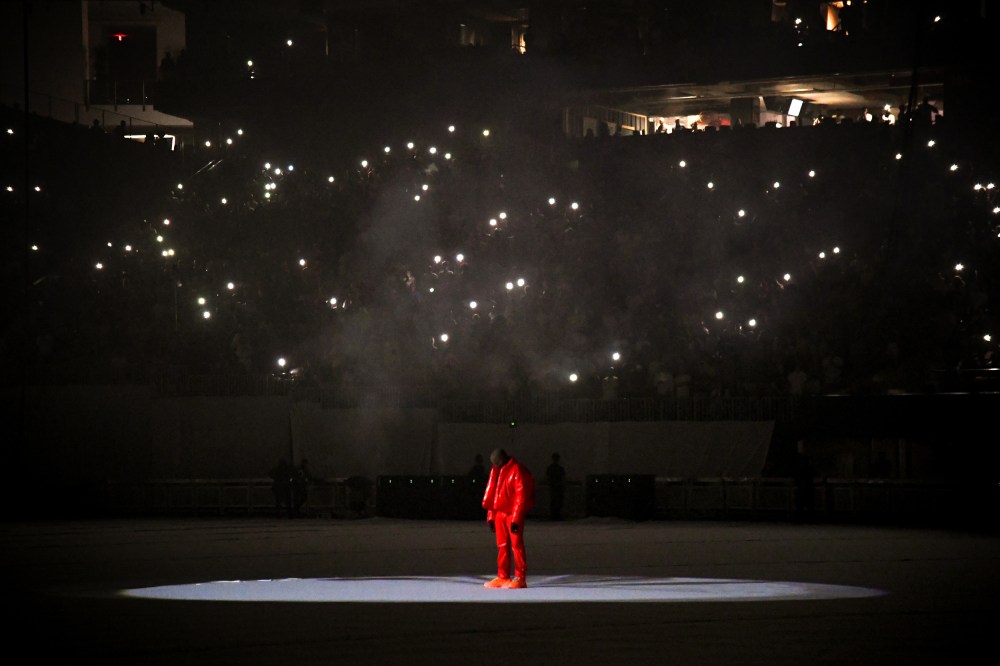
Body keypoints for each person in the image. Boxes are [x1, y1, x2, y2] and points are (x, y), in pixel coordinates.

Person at [481, 448, 535, 589]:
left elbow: (520, 496)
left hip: (512, 513)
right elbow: (493, 494)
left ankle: (519, 577)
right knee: (502, 546)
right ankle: (502, 575)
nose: (495, 465)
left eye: (496, 462)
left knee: (516, 545)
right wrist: (491, 516)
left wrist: (516, 518)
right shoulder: (496, 471)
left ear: (502, 459)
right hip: (500, 513)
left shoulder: (517, 470)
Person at [546, 452, 566, 520]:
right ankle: (555, 515)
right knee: (556, 501)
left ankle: (555, 515)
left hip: (556, 487)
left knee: (556, 501)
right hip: (555, 487)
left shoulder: (553, 468)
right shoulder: (558, 468)